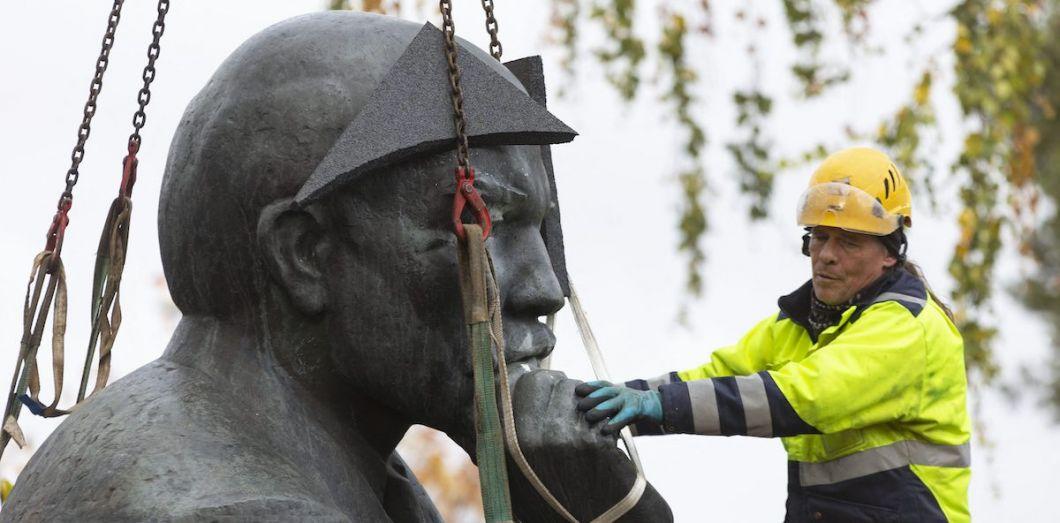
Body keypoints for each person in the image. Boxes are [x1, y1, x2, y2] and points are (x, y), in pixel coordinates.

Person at [2, 12, 671, 521]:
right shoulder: (244, 507)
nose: (545, 288)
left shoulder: (345, 477)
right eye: (479, 226)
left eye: (540, 230)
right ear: (305, 254)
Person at [576, 147, 971, 522]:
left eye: (848, 242)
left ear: (890, 253)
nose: (827, 254)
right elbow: (717, 376)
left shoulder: (905, 326)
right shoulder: (799, 325)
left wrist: (659, 405)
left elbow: (809, 397)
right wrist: (611, 404)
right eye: (819, 237)